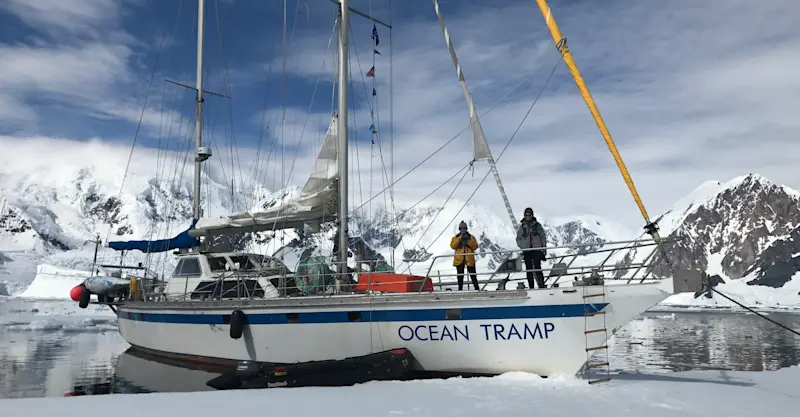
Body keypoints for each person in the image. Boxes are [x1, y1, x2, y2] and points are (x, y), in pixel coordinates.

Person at [516, 207, 547, 289]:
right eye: (526, 215)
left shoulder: (537, 226)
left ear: (532, 215)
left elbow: (542, 237)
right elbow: (518, 239)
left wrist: (544, 248)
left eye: (529, 215)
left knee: (537, 268)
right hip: (527, 250)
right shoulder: (522, 227)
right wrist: (523, 246)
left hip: (536, 249)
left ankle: (541, 285)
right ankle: (531, 287)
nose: (528, 216)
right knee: (529, 269)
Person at [449, 221, 480, 291]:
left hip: (469, 258)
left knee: (473, 275)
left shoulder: (471, 237)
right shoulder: (455, 238)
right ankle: (460, 289)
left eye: (464, 228)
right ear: (459, 229)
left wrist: (468, 241)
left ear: (466, 229)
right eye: (461, 228)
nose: (463, 230)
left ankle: (477, 288)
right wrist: (460, 238)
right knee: (460, 276)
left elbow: (475, 246)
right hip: (459, 259)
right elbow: (453, 246)